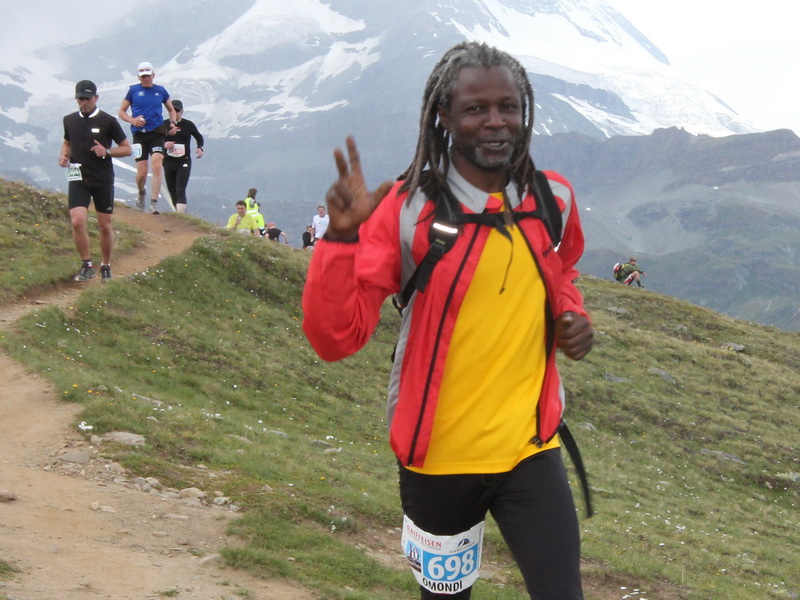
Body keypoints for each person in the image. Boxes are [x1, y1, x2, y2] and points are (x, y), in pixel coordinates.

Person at [302, 42, 593, 600]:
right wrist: (340, 239)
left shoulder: (552, 196)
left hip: (531, 448)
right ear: (444, 116)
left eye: (508, 106)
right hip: (438, 461)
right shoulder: (408, 209)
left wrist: (571, 314)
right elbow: (336, 339)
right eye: (475, 109)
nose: (496, 121)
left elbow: (561, 268)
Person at [59, 80, 132, 283]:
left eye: (88, 98)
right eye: (80, 99)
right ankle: (87, 265)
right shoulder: (69, 120)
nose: (84, 102)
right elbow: (67, 142)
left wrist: (107, 151)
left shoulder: (108, 121)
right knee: (77, 221)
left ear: (96, 98)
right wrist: (64, 155)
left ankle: (106, 265)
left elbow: (127, 149)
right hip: (78, 177)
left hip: (102, 178)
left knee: (105, 225)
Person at [118, 61, 178, 214]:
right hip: (139, 134)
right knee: (142, 173)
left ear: (153, 75)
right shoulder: (133, 91)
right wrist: (133, 120)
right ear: (139, 77)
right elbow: (121, 112)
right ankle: (141, 192)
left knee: (157, 165)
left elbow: (171, 110)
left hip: (157, 132)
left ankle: (154, 202)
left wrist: (173, 123)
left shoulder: (161, 91)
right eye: (143, 76)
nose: (145, 79)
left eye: (148, 76)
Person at [163, 99, 204, 213]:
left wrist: (200, 147)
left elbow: (198, 137)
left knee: (180, 188)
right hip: (168, 162)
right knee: (172, 190)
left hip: (183, 161)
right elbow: (157, 140)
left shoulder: (188, 124)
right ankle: (178, 213)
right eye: (173, 110)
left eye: (177, 110)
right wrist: (165, 144)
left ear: (182, 111)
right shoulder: (164, 124)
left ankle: (181, 213)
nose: (175, 113)